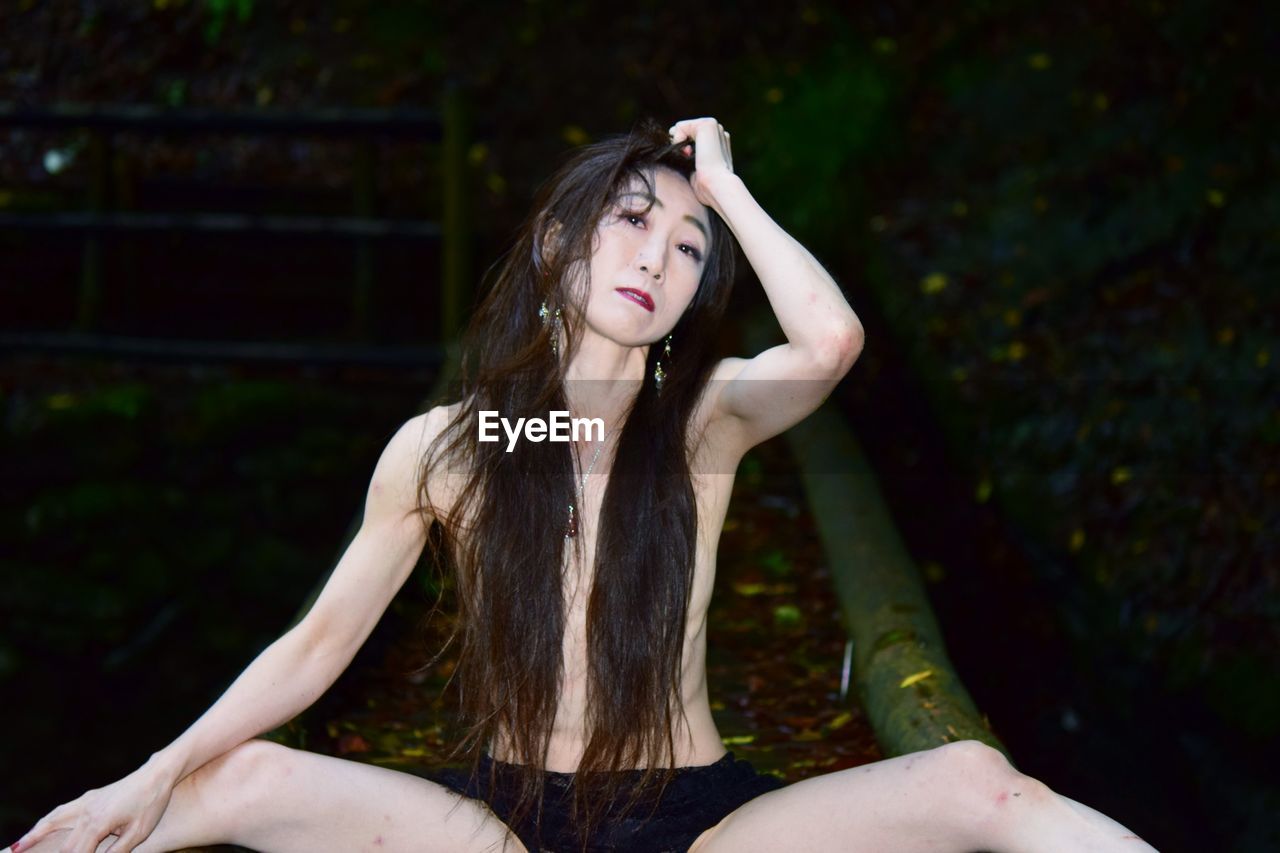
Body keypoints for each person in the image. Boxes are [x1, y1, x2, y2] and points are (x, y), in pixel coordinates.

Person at [13, 117, 1158, 853]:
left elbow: (828, 344)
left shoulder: (699, 420)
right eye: (631, 220)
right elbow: (316, 647)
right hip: (494, 819)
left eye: (688, 250)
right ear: (563, 244)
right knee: (227, 782)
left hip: (696, 821)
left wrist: (727, 189)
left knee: (975, 779)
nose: (658, 255)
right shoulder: (450, 445)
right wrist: (156, 767)